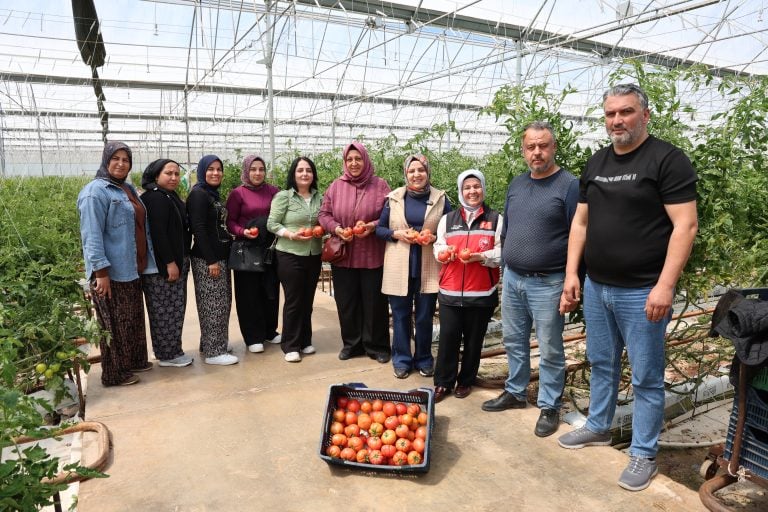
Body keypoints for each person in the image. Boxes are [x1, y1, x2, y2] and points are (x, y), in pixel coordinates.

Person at [557, 83, 698, 492]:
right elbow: (580, 224)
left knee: (646, 377)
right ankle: (599, 425)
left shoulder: (666, 159)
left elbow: (685, 226)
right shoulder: (597, 161)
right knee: (601, 362)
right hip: (598, 286)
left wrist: (665, 285)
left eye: (626, 112)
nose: (617, 120)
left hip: (642, 291)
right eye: (610, 114)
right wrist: (572, 275)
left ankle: (643, 452)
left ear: (645, 115)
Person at [481, 121, 578, 440]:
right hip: (513, 278)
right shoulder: (517, 184)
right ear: (524, 151)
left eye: (543, 145)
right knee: (513, 340)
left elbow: (578, 234)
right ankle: (516, 391)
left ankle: (549, 405)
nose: (537, 152)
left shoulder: (568, 185)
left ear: (554, 147)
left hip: (548, 281)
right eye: (531, 147)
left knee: (550, 347)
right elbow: (508, 227)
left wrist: (571, 279)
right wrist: (505, 263)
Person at [77, 141, 158, 386]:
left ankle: (134, 361)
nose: (121, 164)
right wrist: (101, 272)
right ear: (106, 160)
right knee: (114, 323)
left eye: (126, 160)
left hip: (131, 266)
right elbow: (91, 235)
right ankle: (114, 374)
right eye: (116, 159)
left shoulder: (126, 189)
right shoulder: (95, 192)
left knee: (131, 318)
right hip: (110, 271)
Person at [377, 154, 451, 379]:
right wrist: (396, 233)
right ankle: (401, 359)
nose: (417, 174)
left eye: (421, 170)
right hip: (399, 265)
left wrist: (434, 237)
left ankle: (424, 358)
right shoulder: (394, 198)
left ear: (428, 172)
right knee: (399, 315)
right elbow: (380, 229)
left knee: (424, 316)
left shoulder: (441, 198)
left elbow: (449, 230)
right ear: (406, 173)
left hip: (428, 265)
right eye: (412, 171)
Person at [432, 170, 502, 402]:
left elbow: (503, 252)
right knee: (448, 338)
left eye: (476, 186)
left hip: (481, 293)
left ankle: (466, 380)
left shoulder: (495, 219)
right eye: (467, 187)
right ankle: (443, 382)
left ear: (483, 188)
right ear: (460, 191)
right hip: (450, 291)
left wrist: (481, 257)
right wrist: (443, 253)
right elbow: (437, 247)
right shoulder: (447, 220)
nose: (472, 191)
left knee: (474, 340)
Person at [318, 142, 391, 363]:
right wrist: (336, 228)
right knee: (346, 302)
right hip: (344, 256)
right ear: (345, 162)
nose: (354, 163)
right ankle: (352, 344)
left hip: (372, 254)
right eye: (349, 159)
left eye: (358, 158)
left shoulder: (380, 186)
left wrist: (372, 225)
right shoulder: (336, 186)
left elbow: (391, 215)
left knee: (374, 303)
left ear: (365, 160)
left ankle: (377, 345)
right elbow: (324, 214)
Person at [267, 156, 323, 363]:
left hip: (313, 254)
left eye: (308, 170)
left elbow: (323, 220)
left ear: (313, 174)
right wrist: (291, 234)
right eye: (300, 170)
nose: (304, 174)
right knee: (294, 300)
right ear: (294, 174)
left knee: (308, 300)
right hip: (289, 254)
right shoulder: (284, 197)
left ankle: (305, 340)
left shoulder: (319, 197)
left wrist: (321, 231)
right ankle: (290, 345)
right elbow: (272, 223)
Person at [140, 159, 194, 368]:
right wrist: (170, 264)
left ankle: (166, 350)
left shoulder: (167, 196)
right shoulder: (156, 199)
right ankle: (169, 354)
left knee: (171, 308)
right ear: (156, 176)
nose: (173, 177)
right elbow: (159, 234)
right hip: (166, 266)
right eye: (168, 173)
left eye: (176, 174)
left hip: (175, 261)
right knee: (167, 310)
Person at [226, 155, 281, 354]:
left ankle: (270, 331)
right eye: (253, 169)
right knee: (249, 294)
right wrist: (243, 232)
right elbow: (230, 222)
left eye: (261, 169)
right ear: (246, 171)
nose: (257, 173)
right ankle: (253, 336)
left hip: (269, 248)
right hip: (247, 250)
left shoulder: (274, 191)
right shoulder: (237, 194)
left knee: (270, 290)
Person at [187, 154, 238, 366]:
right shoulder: (198, 194)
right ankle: (214, 352)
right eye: (210, 169)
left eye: (219, 169)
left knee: (221, 303)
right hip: (208, 259)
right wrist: (211, 260)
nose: (215, 173)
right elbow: (198, 228)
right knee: (213, 304)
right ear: (202, 171)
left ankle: (212, 343)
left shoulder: (211, 194)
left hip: (219, 257)